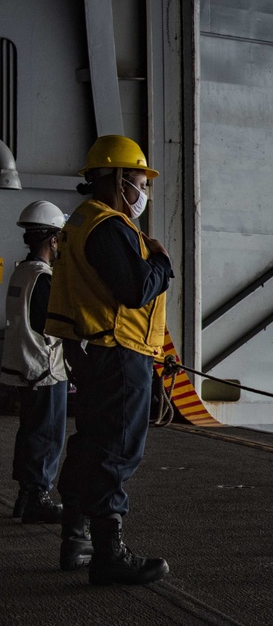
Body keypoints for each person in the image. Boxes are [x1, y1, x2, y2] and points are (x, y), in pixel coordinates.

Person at [46, 135, 172, 584]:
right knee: (116, 451)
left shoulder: (80, 222)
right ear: (119, 180)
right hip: (117, 349)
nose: (142, 191)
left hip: (94, 348)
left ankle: (77, 538)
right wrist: (161, 262)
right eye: (139, 181)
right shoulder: (109, 225)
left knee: (92, 444)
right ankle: (109, 554)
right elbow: (136, 289)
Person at [1, 201, 69, 525]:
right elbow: (53, 325)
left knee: (30, 432)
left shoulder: (21, 271)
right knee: (47, 434)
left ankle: (26, 497)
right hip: (45, 369)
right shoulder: (44, 278)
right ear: (53, 240)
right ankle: (38, 496)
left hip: (24, 367)